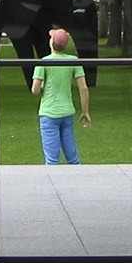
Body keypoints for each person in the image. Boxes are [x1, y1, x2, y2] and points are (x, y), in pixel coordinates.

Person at [31, 27, 92, 165]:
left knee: (52, 160)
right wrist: (85, 111)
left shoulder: (43, 62)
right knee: (73, 159)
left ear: (51, 43)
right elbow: (83, 88)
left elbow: (35, 90)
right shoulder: (74, 61)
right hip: (67, 113)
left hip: (49, 113)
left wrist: (42, 87)